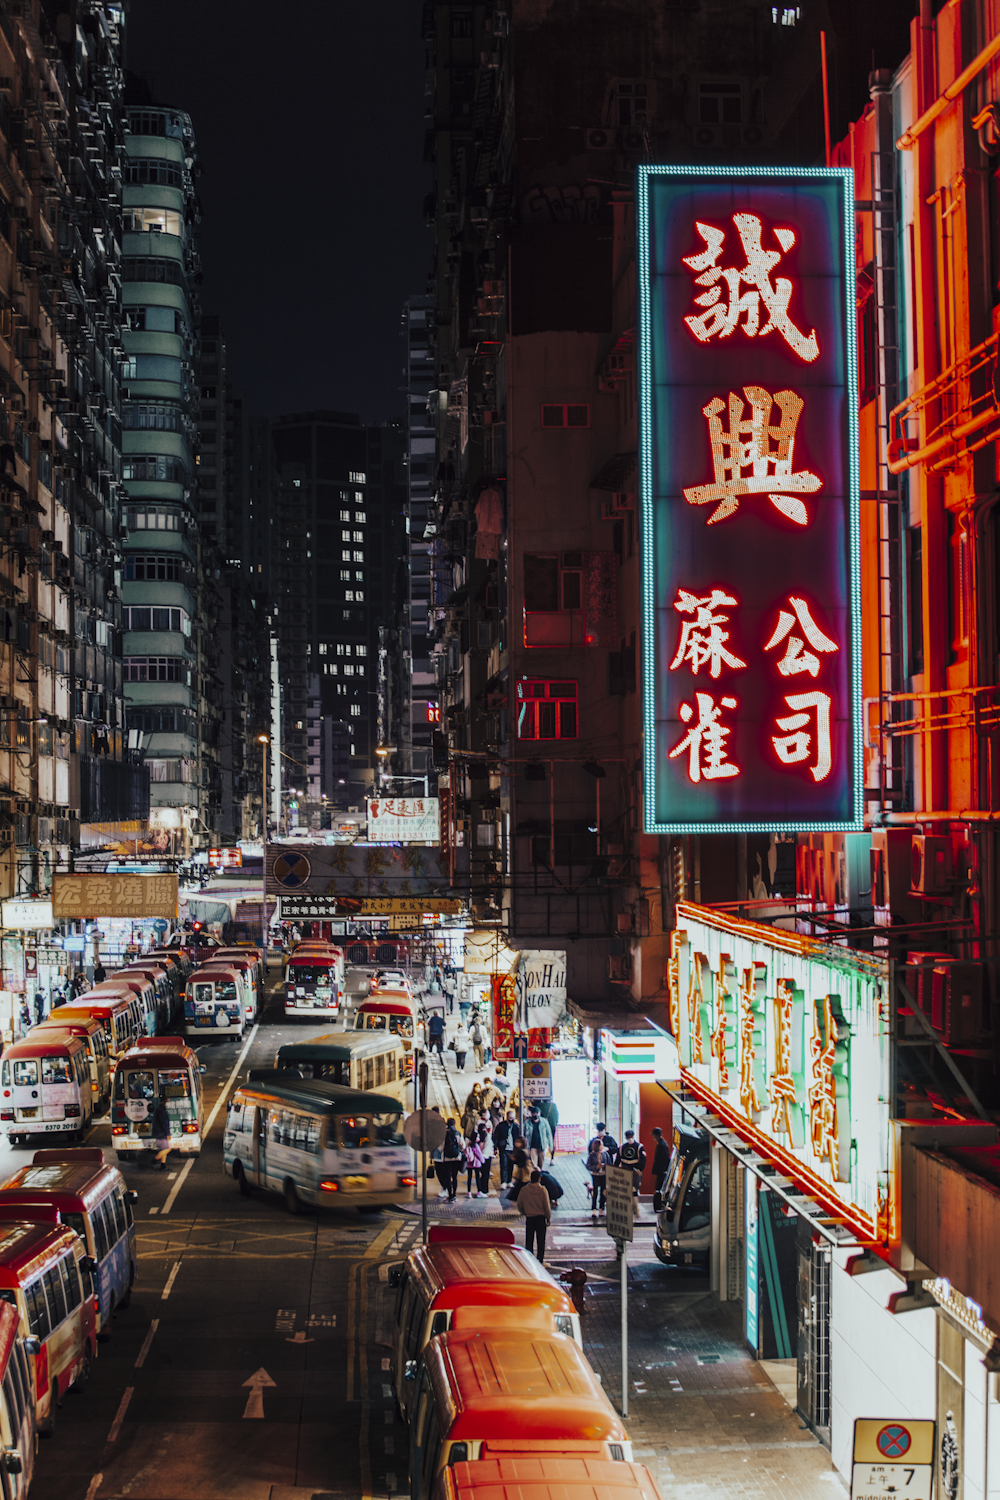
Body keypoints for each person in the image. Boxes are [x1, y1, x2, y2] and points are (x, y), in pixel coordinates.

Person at [517, 1170, 551, 1262]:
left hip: (530, 1218)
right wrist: (548, 1217)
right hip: (540, 1218)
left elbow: (519, 1204)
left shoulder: (524, 1190)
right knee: (541, 1241)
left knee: (529, 1241)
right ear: (539, 1179)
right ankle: (540, 1261)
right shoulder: (543, 1190)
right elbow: (546, 1206)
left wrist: (525, 1212)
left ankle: (529, 1260)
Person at [616, 1129, 646, 1216]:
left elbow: (643, 1160)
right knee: (628, 1191)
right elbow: (618, 1159)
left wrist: (639, 1169)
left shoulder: (639, 1146)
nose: (629, 1138)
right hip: (626, 1171)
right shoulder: (622, 1147)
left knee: (634, 1190)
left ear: (633, 1136)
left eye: (630, 1136)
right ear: (626, 1137)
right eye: (628, 1136)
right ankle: (633, 1209)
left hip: (635, 1172)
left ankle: (635, 1208)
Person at [585, 1135, 611, 1219]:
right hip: (596, 1175)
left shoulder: (605, 1154)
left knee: (603, 1192)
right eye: (601, 1145)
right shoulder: (592, 1155)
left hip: (604, 1175)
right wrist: (596, 1167)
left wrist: (605, 1166)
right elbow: (588, 1165)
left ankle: (601, 1208)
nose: (602, 1146)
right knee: (595, 1192)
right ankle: (593, 1209)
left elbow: (610, 1164)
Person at [439, 1118, 464, 1203]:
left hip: (447, 1158)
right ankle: (455, 1195)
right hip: (456, 1158)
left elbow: (440, 1147)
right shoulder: (458, 1133)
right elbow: (463, 1145)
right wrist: (458, 1150)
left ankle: (450, 1196)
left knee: (448, 1177)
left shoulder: (443, 1134)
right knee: (455, 1177)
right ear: (454, 1124)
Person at [493, 1110, 518, 1184]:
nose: (512, 1119)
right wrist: (495, 1147)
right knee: (504, 1165)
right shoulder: (501, 1126)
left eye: (513, 1117)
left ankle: (509, 1181)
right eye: (510, 1118)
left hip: (513, 1149)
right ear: (507, 1117)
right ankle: (503, 1181)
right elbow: (496, 1136)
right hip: (503, 1148)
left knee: (511, 1165)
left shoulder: (516, 1126)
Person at [525, 1106, 554, 1171]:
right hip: (532, 1147)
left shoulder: (544, 1122)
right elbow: (523, 1135)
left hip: (542, 1147)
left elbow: (549, 1134)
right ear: (531, 1114)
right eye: (534, 1113)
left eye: (537, 1113)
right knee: (534, 1166)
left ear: (539, 1113)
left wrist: (551, 1146)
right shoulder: (527, 1123)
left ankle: (539, 1178)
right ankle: (535, 1178)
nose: (535, 1115)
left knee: (540, 1165)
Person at [150, 1091, 172, 1171]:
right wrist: (167, 1133)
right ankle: (155, 1160)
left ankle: (163, 1165)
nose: (167, 1103)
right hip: (161, 1133)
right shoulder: (161, 1110)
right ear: (163, 1102)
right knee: (168, 1149)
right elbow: (164, 1123)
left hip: (159, 1133)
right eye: (167, 1102)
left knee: (164, 1149)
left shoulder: (161, 1109)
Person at [463, 1131, 485, 1198]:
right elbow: (479, 1154)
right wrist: (483, 1161)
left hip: (469, 1163)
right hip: (476, 1163)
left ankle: (469, 1192)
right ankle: (479, 1191)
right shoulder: (476, 1145)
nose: (478, 1138)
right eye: (477, 1136)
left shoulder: (468, 1144)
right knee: (477, 1177)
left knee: (469, 1177)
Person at [651, 1126, 671, 1193]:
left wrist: (663, 1169)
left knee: (659, 1187)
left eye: (653, 1135)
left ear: (656, 1135)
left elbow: (664, 1158)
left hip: (661, 1170)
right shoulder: (662, 1143)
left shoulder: (661, 1145)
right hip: (662, 1170)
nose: (653, 1137)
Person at [475, 1121, 493, 1196]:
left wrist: (481, 1157)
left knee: (485, 1174)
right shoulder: (478, 1137)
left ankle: (485, 1191)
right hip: (480, 1158)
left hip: (486, 1158)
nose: (483, 1131)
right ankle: (481, 1190)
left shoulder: (487, 1137)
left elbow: (487, 1148)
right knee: (481, 1175)